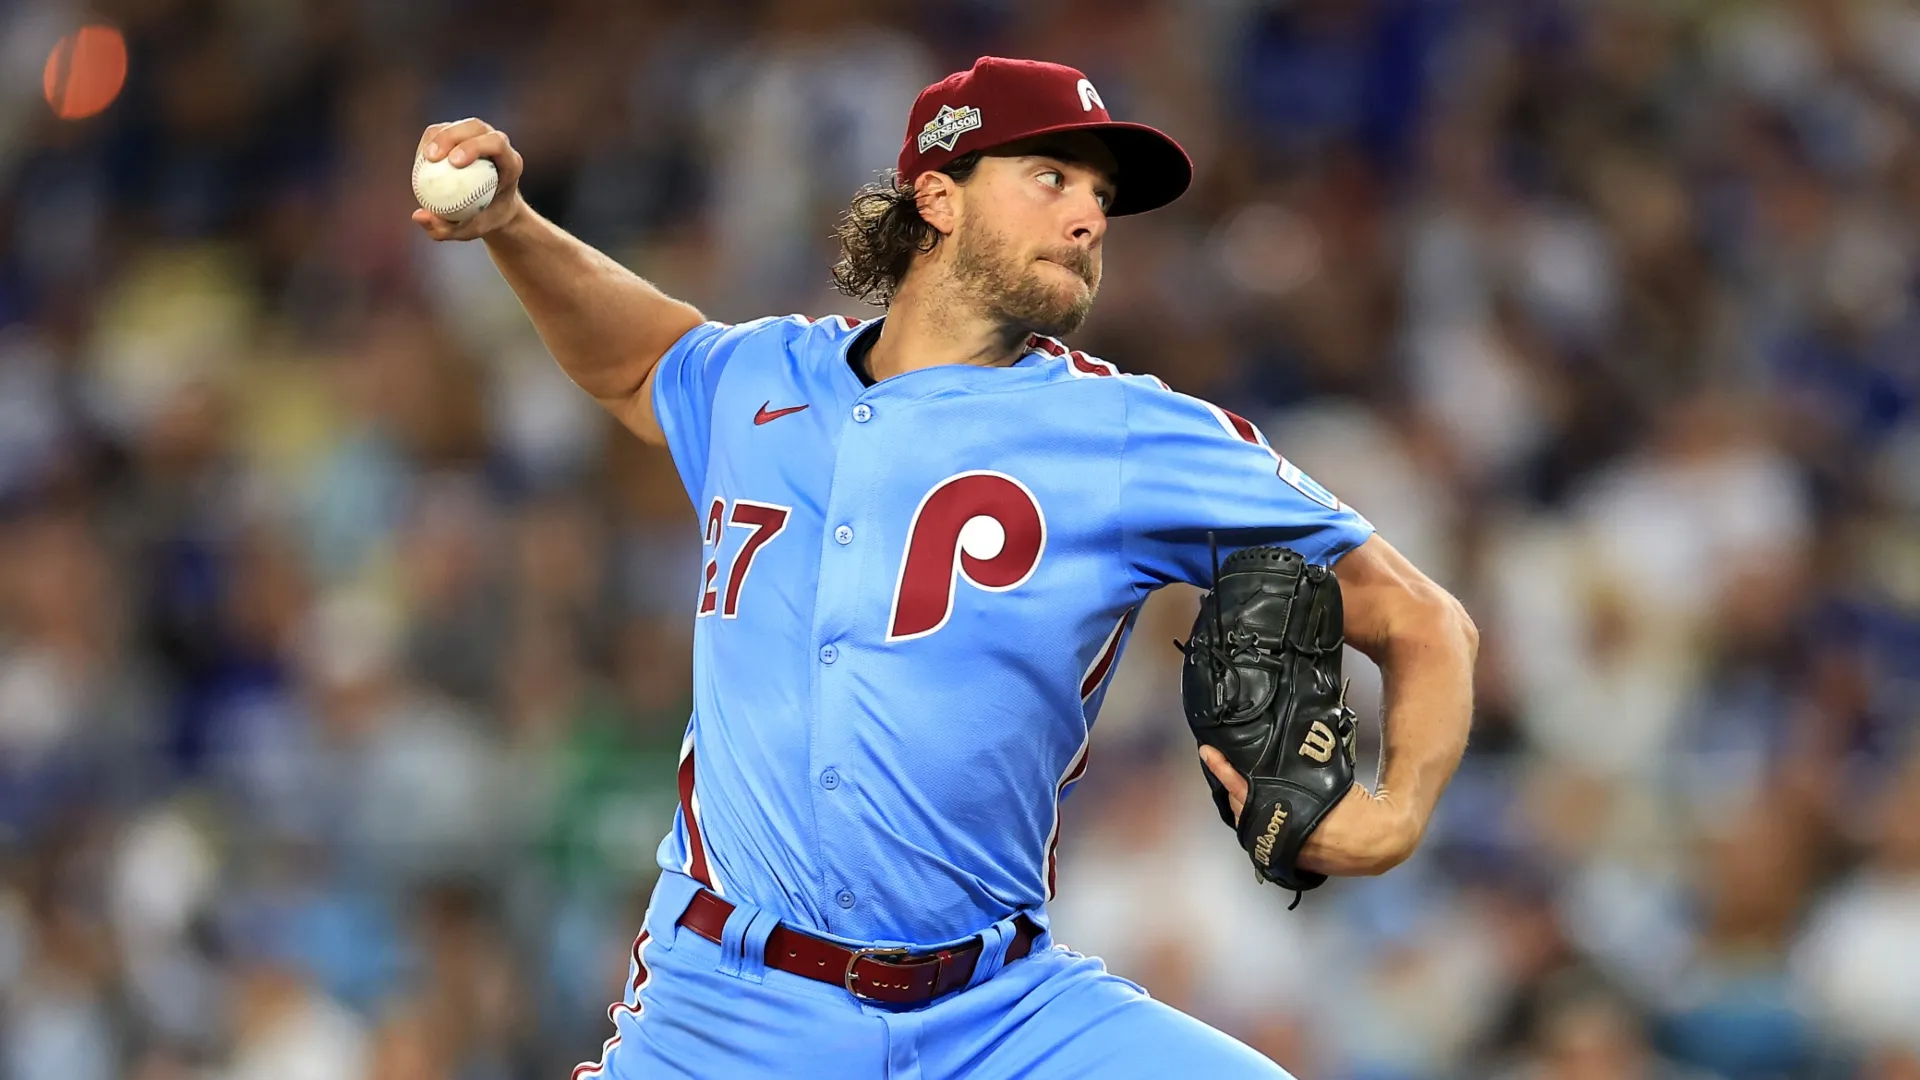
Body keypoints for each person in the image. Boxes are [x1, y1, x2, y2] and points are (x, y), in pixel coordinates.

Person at [413, 55, 1477, 1080]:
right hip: (729, 1009)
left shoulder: (1123, 432)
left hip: (1002, 1013)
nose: (1089, 218)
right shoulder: (760, 380)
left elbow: (1424, 621)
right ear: (938, 195)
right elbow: (637, 357)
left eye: (1102, 196)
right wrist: (510, 225)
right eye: (1052, 178)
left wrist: (1392, 818)